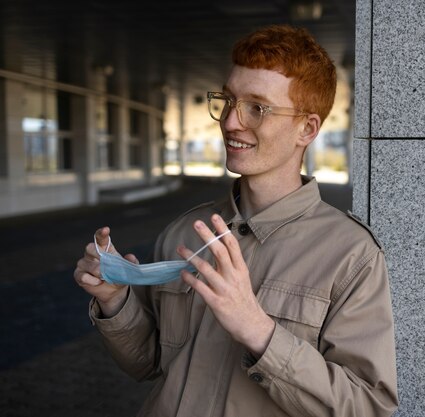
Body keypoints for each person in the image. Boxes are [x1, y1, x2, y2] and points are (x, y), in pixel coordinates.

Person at [74, 24, 398, 417]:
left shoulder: (351, 256)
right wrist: (116, 301)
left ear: (306, 128)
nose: (230, 122)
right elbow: (150, 364)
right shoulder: (184, 232)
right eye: (228, 101)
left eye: (257, 108)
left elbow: (367, 406)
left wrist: (258, 331)